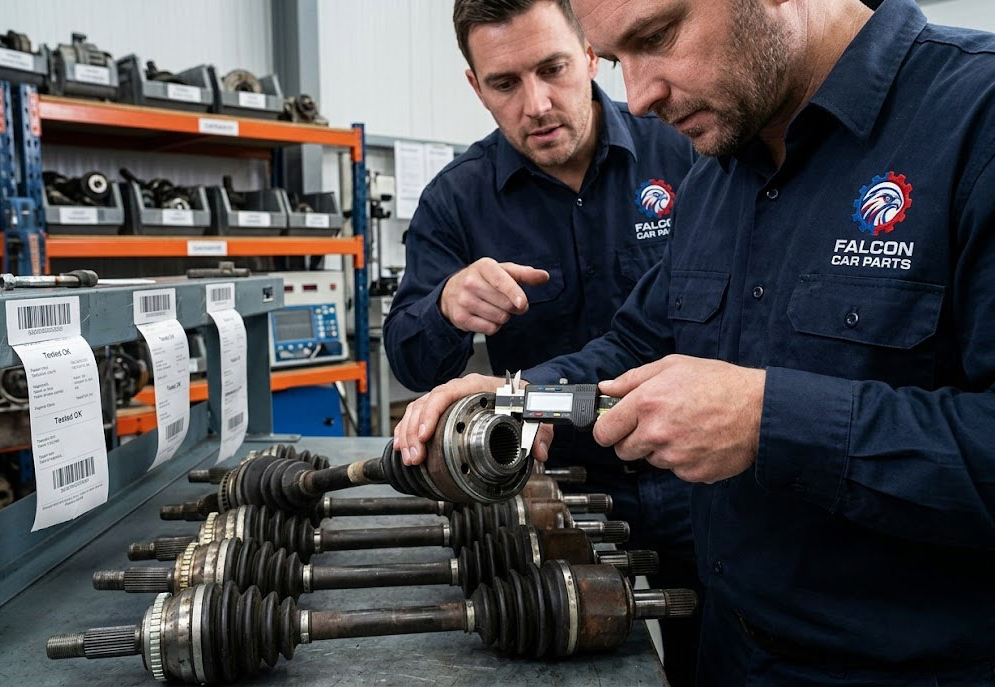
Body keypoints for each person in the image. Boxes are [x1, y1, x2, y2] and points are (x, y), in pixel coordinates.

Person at [392, 0, 995, 683]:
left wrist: (770, 420)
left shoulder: (978, 121)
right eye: (621, 60)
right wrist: (520, 396)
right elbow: (637, 342)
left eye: (659, 36)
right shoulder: (716, 172)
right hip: (727, 649)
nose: (639, 96)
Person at [383, 0, 698, 681]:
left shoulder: (685, 152)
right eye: (505, 83)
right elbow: (409, 357)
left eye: (553, 69)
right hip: (556, 493)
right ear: (475, 86)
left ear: (590, 55)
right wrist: (445, 306)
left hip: (698, 478)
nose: (537, 104)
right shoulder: (456, 200)